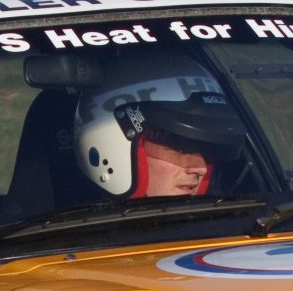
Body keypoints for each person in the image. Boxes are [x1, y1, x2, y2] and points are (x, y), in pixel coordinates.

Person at [74, 72, 242, 198]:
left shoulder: (234, 224)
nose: (201, 169)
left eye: (206, 152)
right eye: (181, 150)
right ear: (114, 149)